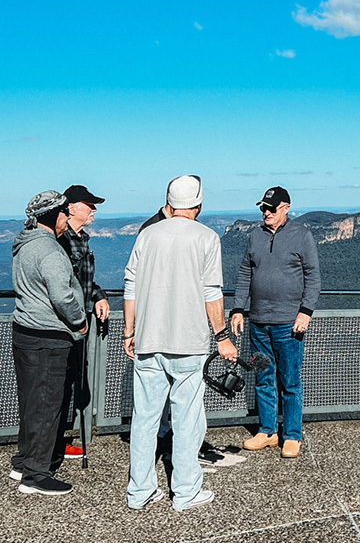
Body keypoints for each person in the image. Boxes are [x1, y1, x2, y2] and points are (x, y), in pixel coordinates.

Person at [123, 174, 237, 511]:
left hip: (147, 340)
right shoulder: (207, 238)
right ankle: (186, 492)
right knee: (188, 418)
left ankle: (140, 491)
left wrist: (129, 332)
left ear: (169, 202)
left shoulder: (147, 235)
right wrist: (222, 337)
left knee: (144, 418)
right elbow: (211, 293)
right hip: (190, 344)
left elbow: (130, 286)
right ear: (199, 205)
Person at [230, 186, 320, 459]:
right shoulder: (255, 235)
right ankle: (267, 431)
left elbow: (313, 276)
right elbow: (246, 272)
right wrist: (237, 309)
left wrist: (306, 311)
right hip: (258, 322)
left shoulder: (302, 235)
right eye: (263, 208)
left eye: (271, 208)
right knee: (263, 377)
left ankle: (292, 435)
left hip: (288, 324)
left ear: (286, 208)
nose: (266, 212)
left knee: (290, 381)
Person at [10, 191, 88, 496]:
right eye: (64, 214)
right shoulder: (51, 251)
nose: (67, 220)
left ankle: (23, 461)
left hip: (25, 332)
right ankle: (36, 475)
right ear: (53, 215)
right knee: (47, 405)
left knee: (31, 402)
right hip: (50, 336)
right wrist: (80, 321)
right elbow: (62, 296)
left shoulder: (23, 245)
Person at [57, 183, 110, 462]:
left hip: (80, 324)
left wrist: (99, 295)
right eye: (89, 205)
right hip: (66, 326)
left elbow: (84, 281)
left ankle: (56, 441)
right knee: (60, 385)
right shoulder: (62, 240)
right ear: (73, 208)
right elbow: (62, 285)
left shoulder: (81, 238)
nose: (94, 210)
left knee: (70, 382)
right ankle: (52, 444)